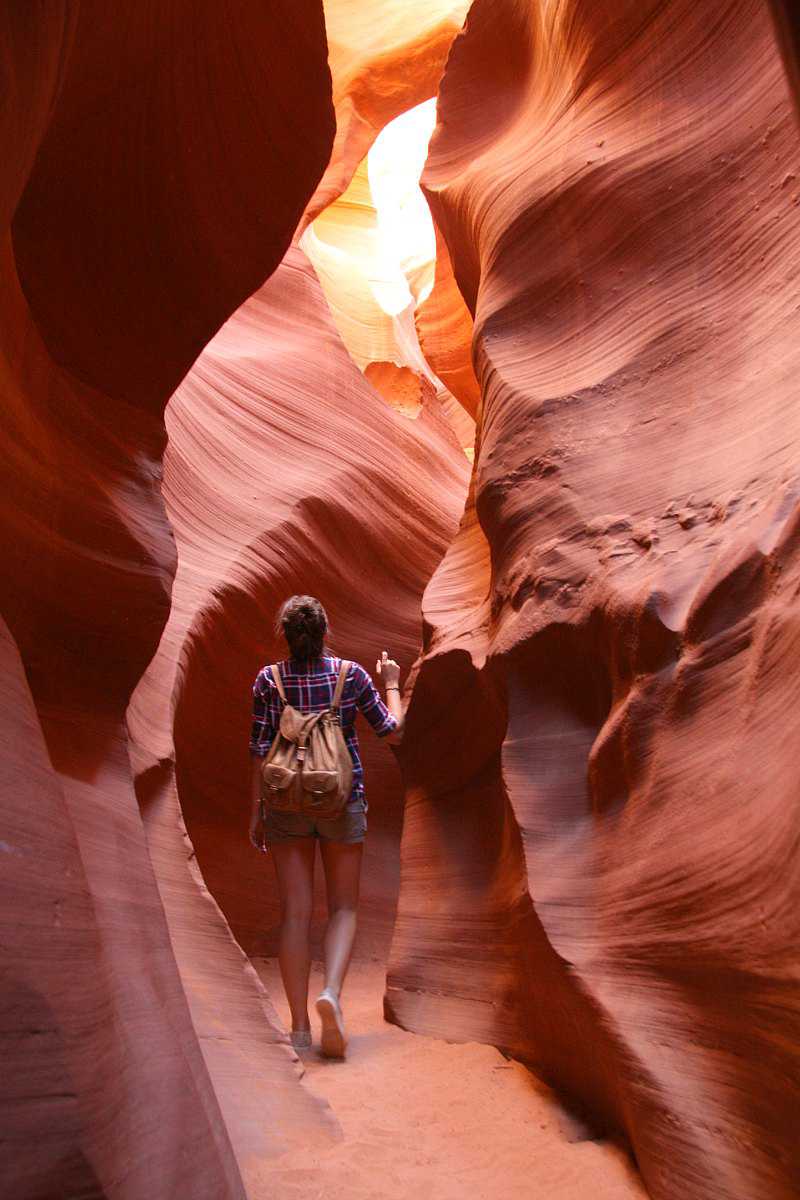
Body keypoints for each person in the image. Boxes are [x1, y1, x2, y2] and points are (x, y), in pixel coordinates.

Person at [248, 594, 404, 1058]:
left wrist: (255, 812)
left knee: (294, 913)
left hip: (285, 804)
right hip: (340, 801)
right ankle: (331, 995)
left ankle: (297, 1027)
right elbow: (394, 730)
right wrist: (393, 683)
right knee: (344, 909)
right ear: (324, 632)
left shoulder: (267, 681)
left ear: (287, 634)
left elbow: (258, 750)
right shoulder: (350, 676)